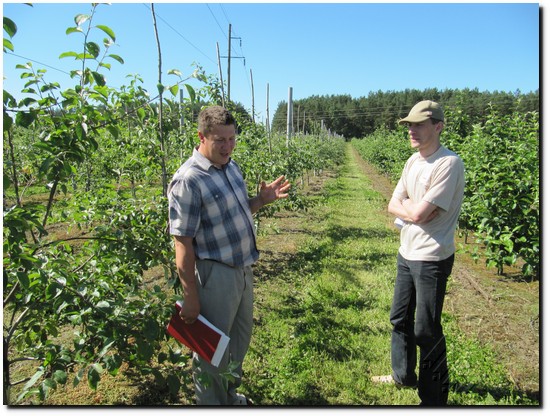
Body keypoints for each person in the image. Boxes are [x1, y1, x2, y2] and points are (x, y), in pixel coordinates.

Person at [167, 105, 290, 405]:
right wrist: (191, 296)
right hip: (215, 275)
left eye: (232, 138)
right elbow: (182, 242)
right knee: (211, 351)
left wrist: (260, 200)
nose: (227, 146)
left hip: (243, 270)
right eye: (220, 140)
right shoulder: (189, 179)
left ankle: (229, 397)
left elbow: (237, 212)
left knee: (237, 344)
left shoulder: (231, 168)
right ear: (201, 137)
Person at [372, 100, 465, 406]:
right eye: (409, 125)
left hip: (432, 257)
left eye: (418, 124)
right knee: (399, 318)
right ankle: (402, 375)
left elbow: (421, 213)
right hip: (407, 251)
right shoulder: (413, 161)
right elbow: (393, 203)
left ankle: (434, 399)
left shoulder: (448, 163)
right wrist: (412, 209)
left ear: (437, 126)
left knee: (426, 328)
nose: (411, 130)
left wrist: (412, 209)